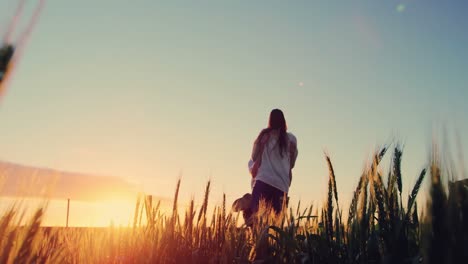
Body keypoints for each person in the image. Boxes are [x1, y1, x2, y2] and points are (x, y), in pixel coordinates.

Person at [249, 109, 298, 216]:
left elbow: (253, 157)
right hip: (281, 185)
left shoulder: (264, 135)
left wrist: (262, 146)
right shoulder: (291, 139)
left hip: (263, 181)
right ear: (284, 120)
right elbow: (292, 164)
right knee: (276, 224)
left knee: (257, 220)